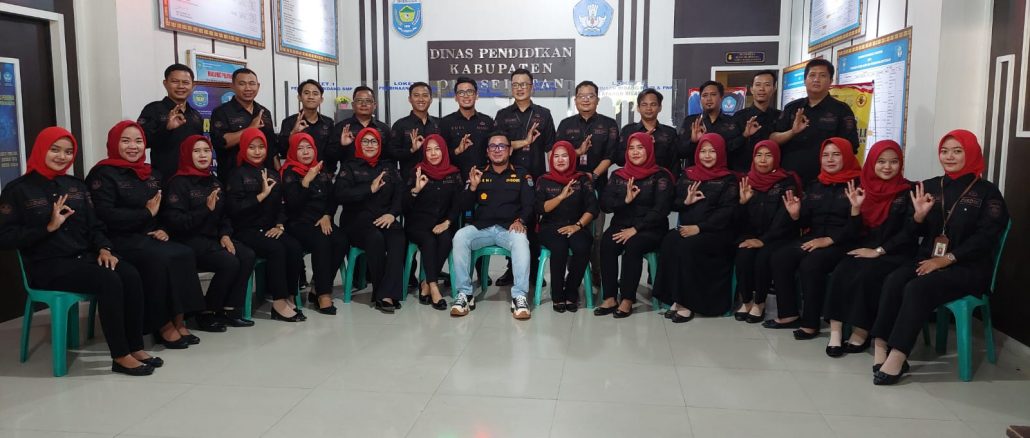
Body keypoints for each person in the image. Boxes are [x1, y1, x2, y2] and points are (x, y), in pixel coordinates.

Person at [0, 127, 159, 376]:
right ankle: (120, 355)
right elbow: (5, 237)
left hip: (83, 258)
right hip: (47, 265)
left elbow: (95, 225)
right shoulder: (18, 190)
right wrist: (48, 227)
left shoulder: (75, 186)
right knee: (108, 280)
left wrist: (104, 248)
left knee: (129, 273)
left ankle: (135, 346)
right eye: (55, 150)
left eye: (68, 152)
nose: (61, 156)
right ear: (41, 149)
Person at [870, 130, 1008, 385]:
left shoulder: (987, 193)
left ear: (971, 153)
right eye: (944, 151)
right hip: (929, 260)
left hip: (968, 266)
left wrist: (948, 259)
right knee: (894, 279)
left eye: (957, 151)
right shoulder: (930, 186)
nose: (949, 156)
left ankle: (898, 356)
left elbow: (987, 237)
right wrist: (918, 217)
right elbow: (911, 233)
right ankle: (881, 345)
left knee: (917, 288)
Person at [86, 121, 207, 347]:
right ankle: (162, 324)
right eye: (125, 141)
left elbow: (165, 209)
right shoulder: (103, 174)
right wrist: (145, 214)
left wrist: (164, 228)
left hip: (147, 235)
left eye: (138, 141)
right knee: (158, 259)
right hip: (117, 239)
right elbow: (104, 215)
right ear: (114, 143)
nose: (133, 146)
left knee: (184, 252)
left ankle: (179, 319)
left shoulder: (152, 174)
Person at [824, 140, 916, 357]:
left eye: (894, 162)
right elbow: (853, 232)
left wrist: (879, 251)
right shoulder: (861, 187)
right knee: (841, 270)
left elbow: (909, 232)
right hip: (865, 248)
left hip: (896, 252)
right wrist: (855, 210)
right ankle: (835, 332)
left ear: (901, 164)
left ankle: (861, 330)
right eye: (881, 161)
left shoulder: (908, 191)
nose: (887, 167)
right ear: (872, 162)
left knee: (868, 274)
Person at [765, 137, 861, 340]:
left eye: (836, 154)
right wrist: (795, 215)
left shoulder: (858, 185)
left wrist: (830, 240)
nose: (830, 159)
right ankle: (789, 314)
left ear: (846, 156)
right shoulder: (816, 184)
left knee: (811, 263)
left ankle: (811, 323)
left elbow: (860, 226)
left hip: (845, 241)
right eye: (825, 155)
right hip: (815, 237)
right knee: (780, 257)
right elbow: (805, 221)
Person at [162, 135, 256, 329]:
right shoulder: (178, 183)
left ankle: (230, 309)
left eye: (206, 151)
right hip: (188, 240)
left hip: (213, 238)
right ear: (187, 154)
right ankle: (206, 311)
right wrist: (205, 209)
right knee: (229, 262)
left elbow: (225, 215)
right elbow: (175, 222)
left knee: (247, 255)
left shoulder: (214, 182)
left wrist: (225, 234)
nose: (203, 155)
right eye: (196, 151)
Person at [654, 133, 740, 322]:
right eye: (703, 151)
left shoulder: (728, 179)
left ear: (720, 153)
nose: (707, 155)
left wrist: (700, 228)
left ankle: (687, 303)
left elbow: (728, 212)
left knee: (688, 246)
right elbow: (673, 203)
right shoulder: (688, 174)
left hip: (717, 233)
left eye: (712, 151)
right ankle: (675, 297)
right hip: (689, 228)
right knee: (669, 241)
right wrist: (686, 201)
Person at [449, 132, 534, 320]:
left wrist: (521, 221)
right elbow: (463, 206)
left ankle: (519, 296)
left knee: (521, 241)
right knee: (460, 237)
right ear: (487, 151)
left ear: (510, 150)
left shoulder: (521, 173)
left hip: (509, 228)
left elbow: (529, 205)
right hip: (482, 228)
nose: (497, 150)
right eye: (493, 146)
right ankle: (464, 294)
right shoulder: (478, 172)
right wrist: (473, 188)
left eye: (502, 146)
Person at [226, 128, 305, 322]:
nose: (257, 151)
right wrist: (261, 196)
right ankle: (278, 303)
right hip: (246, 230)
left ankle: (290, 297)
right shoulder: (236, 175)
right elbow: (234, 209)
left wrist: (279, 225)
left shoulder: (272, 174)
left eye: (261, 147)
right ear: (244, 148)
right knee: (276, 249)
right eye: (251, 147)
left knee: (294, 247)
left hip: (270, 228)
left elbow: (282, 206)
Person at [595, 132, 673, 318]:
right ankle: (610, 297)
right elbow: (605, 204)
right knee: (607, 243)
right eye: (631, 148)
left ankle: (627, 299)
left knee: (633, 245)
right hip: (621, 224)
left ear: (649, 150)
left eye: (640, 148)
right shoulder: (618, 175)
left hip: (650, 228)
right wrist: (625, 200)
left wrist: (636, 229)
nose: (635, 152)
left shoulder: (660, 176)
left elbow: (661, 209)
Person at [493, 68, 555, 286]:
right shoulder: (503, 115)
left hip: (536, 177)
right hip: (509, 178)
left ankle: (535, 271)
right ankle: (512, 270)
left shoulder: (544, 114)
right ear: (511, 88)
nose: (520, 88)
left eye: (524, 84)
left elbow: (550, 149)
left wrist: (553, 178)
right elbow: (498, 145)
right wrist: (524, 142)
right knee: (512, 222)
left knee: (534, 225)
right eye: (515, 84)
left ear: (532, 87)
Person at [333, 127, 406, 313]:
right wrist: (369, 189)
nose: (370, 145)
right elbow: (340, 195)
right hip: (357, 221)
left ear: (380, 145)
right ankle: (382, 293)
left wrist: (392, 214)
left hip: (384, 218)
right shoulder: (350, 167)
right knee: (375, 238)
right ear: (358, 144)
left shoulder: (388, 167)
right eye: (365, 141)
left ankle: (387, 292)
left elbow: (400, 193)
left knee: (398, 237)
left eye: (374, 141)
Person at [556, 80, 620, 288]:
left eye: (590, 96)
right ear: (575, 100)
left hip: (598, 186)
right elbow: (560, 155)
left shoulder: (609, 124)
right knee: (571, 229)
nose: (586, 100)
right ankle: (573, 275)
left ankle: (597, 273)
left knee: (597, 234)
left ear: (597, 100)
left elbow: (611, 155)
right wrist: (577, 153)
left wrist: (593, 175)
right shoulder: (566, 125)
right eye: (581, 96)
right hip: (570, 188)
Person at [733, 140, 801, 323]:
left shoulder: (786, 181)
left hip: (779, 236)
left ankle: (759, 303)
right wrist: (742, 203)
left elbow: (784, 217)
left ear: (776, 158)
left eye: (768, 155)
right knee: (743, 254)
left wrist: (764, 240)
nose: (763, 160)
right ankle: (746, 300)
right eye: (759, 155)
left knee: (763, 256)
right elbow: (737, 219)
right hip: (751, 234)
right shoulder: (746, 180)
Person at [280, 132, 348, 315]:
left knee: (341, 240)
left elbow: (333, 198)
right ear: (293, 151)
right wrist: (306, 181)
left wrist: (327, 215)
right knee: (322, 240)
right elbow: (292, 206)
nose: (305, 152)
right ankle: (324, 295)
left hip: (320, 221)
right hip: (298, 223)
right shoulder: (289, 173)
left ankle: (317, 286)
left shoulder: (321, 170)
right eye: (300, 148)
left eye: (309, 147)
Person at [770, 59, 860, 183]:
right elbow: (773, 139)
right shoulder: (792, 108)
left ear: (831, 81)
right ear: (804, 80)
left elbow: (851, 146)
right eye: (812, 75)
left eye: (822, 75)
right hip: (789, 180)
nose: (816, 79)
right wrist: (792, 132)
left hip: (825, 182)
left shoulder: (841, 110)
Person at [535, 141, 598, 312]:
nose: (560, 159)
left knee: (582, 246)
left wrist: (577, 225)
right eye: (556, 156)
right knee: (559, 247)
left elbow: (592, 208)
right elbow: (540, 208)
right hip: (550, 226)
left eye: (564, 156)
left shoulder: (582, 179)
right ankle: (557, 295)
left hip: (577, 225)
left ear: (571, 157)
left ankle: (571, 290)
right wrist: (560, 197)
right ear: (551, 159)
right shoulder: (544, 180)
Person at [404, 134, 462, 310]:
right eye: (428, 150)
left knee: (446, 240)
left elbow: (457, 204)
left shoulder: (453, 174)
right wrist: (415, 190)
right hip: (418, 224)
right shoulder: (417, 171)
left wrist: (448, 222)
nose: (433, 153)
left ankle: (426, 283)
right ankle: (434, 287)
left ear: (444, 151)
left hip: (441, 223)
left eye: (437, 149)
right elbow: (404, 206)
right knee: (429, 240)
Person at [137, 64, 204, 181]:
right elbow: (142, 142)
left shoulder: (196, 115)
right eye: (175, 81)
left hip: (193, 179)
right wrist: (166, 128)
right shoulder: (153, 109)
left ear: (193, 86)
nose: (180, 86)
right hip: (164, 178)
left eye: (185, 82)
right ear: (165, 83)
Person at [210, 68, 278, 180]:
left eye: (252, 84)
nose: (248, 88)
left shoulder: (264, 112)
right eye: (242, 84)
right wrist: (250, 129)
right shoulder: (221, 112)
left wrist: (278, 172)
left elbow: (272, 148)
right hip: (233, 178)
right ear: (232, 86)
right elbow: (221, 142)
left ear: (258, 86)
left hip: (265, 176)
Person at [679, 81, 743, 168]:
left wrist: (744, 136)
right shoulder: (691, 121)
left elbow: (738, 154)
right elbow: (680, 152)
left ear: (721, 97)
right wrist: (693, 141)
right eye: (704, 95)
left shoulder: (732, 122)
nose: (708, 99)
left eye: (713, 94)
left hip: (723, 173)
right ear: (700, 99)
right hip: (695, 173)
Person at [618, 88, 681, 175]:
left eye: (653, 104)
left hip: (662, 180)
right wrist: (641, 142)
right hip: (634, 179)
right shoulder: (628, 130)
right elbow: (619, 160)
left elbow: (675, 165)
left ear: (660, 108)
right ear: (638, 108)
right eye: (644, 104)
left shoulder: (670, 132)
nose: (648, 108)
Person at [278, 79, 336, 172]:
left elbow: (332, 152)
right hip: (296, 174)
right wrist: (293, 133)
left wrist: (329, 172)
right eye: (306, 93)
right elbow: (282, 151)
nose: (311, 97)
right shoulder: (289, 122)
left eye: (315, 94)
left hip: (322, 173)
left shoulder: (328, 123)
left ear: (321, 99)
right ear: (299, 97)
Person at [440, 77, 495, 175]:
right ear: (456, 97)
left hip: (483, 175)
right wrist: (457, 150)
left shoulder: (488, 121)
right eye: (461, 92)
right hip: (454, 177)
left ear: (477, 95)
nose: (466, 96)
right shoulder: (445, 122)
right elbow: (440, 154)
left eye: (470, 92)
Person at [328, 85, 392, 169]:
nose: (364, 104)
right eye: (359, 101)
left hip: (378, 174)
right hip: (349, 175)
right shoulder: (342, 127)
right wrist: (342, 145)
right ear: (353, 105)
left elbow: (391, 158)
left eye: (368, 101)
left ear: (374, 105)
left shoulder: (384, 129)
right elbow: (331, 157)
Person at [389, 81, 442, 179]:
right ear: (410, 99)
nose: (421, 99)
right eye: (416, 95)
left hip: (437, 179)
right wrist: (411, 150)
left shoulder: (439, 123)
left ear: (431, 99)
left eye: (425, 95)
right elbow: (392, 154)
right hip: (409, 180)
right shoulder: (400, 125)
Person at [732, 70, 782, 172]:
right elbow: (730, 147)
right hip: (745, 173)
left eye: (767, 85)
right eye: (758, 85)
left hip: (773, 174)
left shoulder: (780, 116)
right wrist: (745, 135)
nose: (762, 89)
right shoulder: (739, 116)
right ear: (752, 89)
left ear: (774, 89)